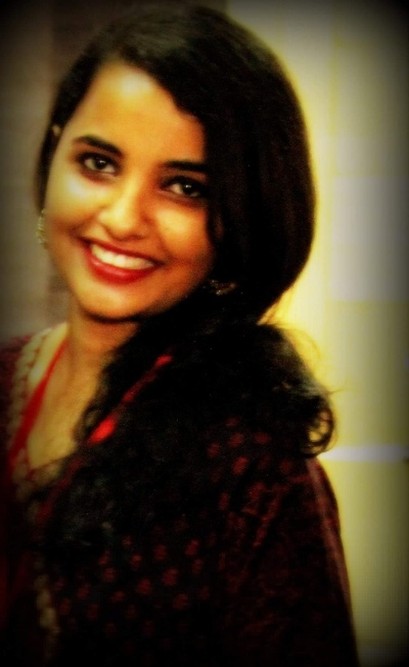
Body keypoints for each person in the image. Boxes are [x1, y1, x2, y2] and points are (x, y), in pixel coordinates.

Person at [0, 3, 360, 665]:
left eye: (184, 187)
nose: (122, 217)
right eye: (98, 163)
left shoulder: (255, 467)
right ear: (52, 158)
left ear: (241, 218)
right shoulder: (4, 375)